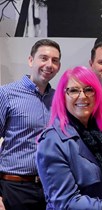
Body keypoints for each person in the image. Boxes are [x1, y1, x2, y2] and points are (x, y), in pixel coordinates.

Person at [35, 66, 102, 210]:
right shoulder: (52, 142)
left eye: (88, 90)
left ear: (97, 95)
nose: (82, 96)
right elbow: (66, 203)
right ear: (62, 96)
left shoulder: (96, 134)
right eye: (73, 90)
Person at [0, 39, 61, 210]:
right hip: (15, 187)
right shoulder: (6, 94)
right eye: (44, 58)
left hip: (51, 188)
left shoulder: (59, 99)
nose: (49, 64)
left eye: (54, 60)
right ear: (30, 60)